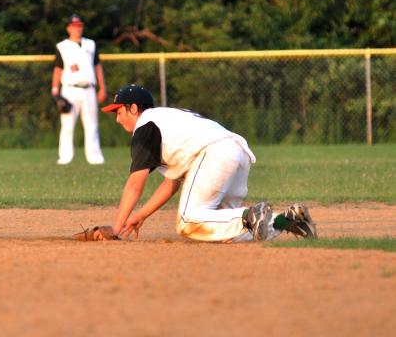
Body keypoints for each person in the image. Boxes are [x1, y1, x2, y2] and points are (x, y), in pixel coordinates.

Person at [101, 84, 317, 242]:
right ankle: (287, 220)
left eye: (119, 112)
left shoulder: (145, 125)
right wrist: (140, 215)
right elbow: (171, 183)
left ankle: (250, 214)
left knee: (188, 221)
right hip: (236, 154)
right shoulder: (166, 119)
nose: (118, 119)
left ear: (134, 108)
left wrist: (116, 229)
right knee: (228, 233)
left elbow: (134, 185)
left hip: (215, 154)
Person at [51, 14, 106, 165]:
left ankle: (95, 157)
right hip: (69, 90)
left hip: (89, 89)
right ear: (68, 28)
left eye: (80, 25)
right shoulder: (62, 46)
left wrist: (102, 88)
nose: (77, 28)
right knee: (67, 124)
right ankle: (65, 157)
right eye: (74, 26)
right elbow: (58, 68)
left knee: (92, 124)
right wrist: (55, 89)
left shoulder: (90, 44)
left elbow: (97, 66)